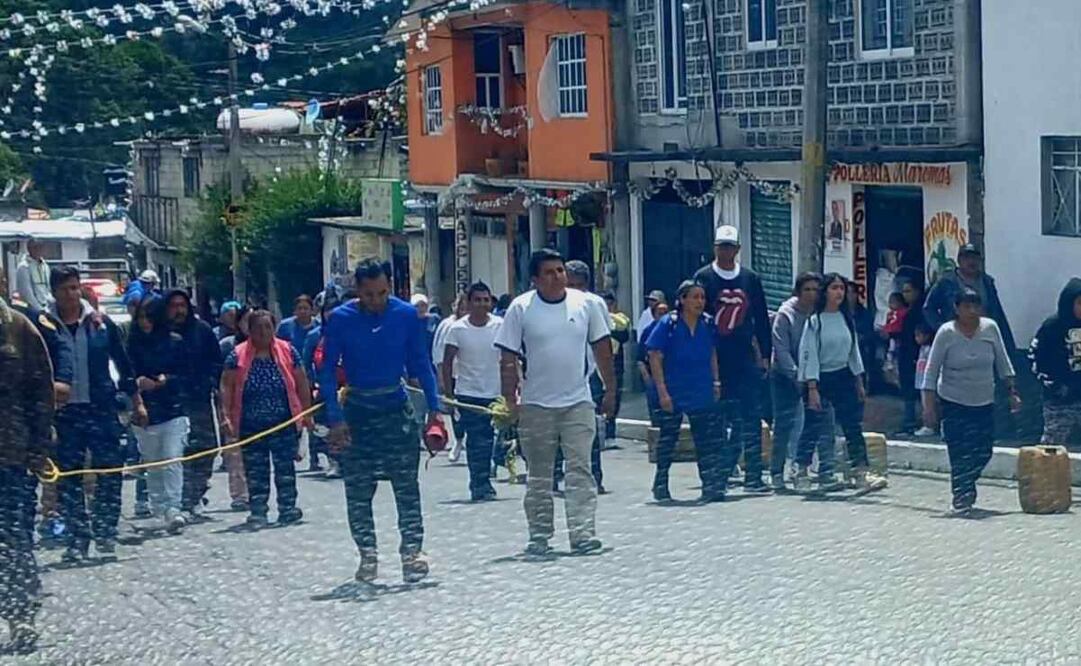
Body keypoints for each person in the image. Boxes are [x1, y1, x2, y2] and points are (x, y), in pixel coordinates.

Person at [321, 258, 442, 584]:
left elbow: (421, 362)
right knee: (359, 490)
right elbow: (328, 371)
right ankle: (368, 554)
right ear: (357, 291)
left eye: (382, 293)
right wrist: (334, 418)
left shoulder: (405, 316)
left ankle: (412, 553)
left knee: (406, 487)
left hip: (396, 411)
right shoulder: (341, 320)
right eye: (369, 294)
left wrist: (435, 408)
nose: (376, 300)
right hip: (358, 412)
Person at [495, 248, 616, 557]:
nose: (557, 277)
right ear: (535, 279)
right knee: (539, 474)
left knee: (580, 469)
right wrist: (510, 400)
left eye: (560, 271)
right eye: (548, 273)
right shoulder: (520, 309)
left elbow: (602, 347)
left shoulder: (586, 304)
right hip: (536, 406)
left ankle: (582, 533)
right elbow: (507, 358)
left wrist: (610, 389)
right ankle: (539, 534)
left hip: (578, 402)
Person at [48, 266, 141, 561]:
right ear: (54, 292)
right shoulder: (45, 326)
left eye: (75, 288)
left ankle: (105, 531)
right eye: (65, 289)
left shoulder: (100, 325)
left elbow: (124, 364)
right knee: (69, 477)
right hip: (65, 413)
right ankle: (77, 539)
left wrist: (137, 402)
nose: (71, 294)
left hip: (101, 407)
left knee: (110, 471)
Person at [923, 289, 1020, 515]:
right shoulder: (946, 333)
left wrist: (1012, 392)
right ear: (956, 309)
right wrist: (929, 406)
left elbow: (1003, 363)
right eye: (966, 306)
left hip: (983, 399)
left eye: (976, 306)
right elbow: (931, 370)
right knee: (959, 449)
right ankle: (962, 494)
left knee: (983, 450)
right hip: (953, 400)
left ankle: (967, 481)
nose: (972, 311)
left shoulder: (990, 329)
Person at [692, 224, 772, 493]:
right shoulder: (703, 277)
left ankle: (754, 477)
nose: (725, 251)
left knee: (750, 418)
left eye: (730, 246)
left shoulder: (750, 278)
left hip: (743, 357)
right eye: (720, 246)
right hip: (714, 359)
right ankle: (718, 474)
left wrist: (765, 354)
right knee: (717, 419)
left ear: (738, 249)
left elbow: (760, 318)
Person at [796, 273, 887, 493]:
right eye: (834, 288)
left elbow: (852, 350)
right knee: (813, 426)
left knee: (852, 426)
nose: (839, 293)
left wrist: (859, 380)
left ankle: (860, 472)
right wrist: (812, 388)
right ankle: (801, 472)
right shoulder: (815, 321)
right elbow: (810, 354)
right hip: (820, 378)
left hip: (843, 375)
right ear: (825, 292)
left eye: (842, 289)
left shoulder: (847, 318)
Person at [221, 310, 312, 529]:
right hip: (251, 423)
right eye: (258, 328)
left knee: (285, 468)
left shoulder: (288, 351)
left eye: (268, 327)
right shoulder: (237, 355)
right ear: (249, 330)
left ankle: (288, 507)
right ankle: (258, 510)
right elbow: (226, 385)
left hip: (283, 421)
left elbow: (301, 380)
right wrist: (225, 416)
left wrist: (306, 412)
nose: (263, 332)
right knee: (255, 469)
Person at [0, 291, 54, 653]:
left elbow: (41, 391)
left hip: (11, 457)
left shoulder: (18, 328)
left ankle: (20, 615)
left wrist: (39, 445)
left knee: (14, 540)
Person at [645, 280, 727, 502]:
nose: (700, 302)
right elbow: (655, 356)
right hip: (674, 388)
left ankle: (710, 485)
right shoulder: (668, 324)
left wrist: (716, 382)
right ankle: (661, 482)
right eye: (694, 297)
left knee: (705, 439)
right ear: (682, 299)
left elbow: (712, 353)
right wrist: (662, 391)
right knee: (668, 438)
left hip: (700, 387)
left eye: (702, 297)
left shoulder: (708, 324)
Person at [127, 295, 189, 534]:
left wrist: (166, 379)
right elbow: (125, 374)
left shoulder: (175, 341)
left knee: (172, 458)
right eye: (141, 317)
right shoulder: (132, 344)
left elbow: (185, 375)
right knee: (153, 463)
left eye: (150, 317)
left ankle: (174, 507)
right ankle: (160, 506)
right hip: (145, 412)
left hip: (173, 410)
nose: (145, 323)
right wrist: (137, 384)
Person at [165, 289, 223, 521]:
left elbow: (216, 361)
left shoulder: (202, 330)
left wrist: (212, 382)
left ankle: (194, 493)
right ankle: (179, 500)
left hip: (199, 400)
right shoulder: (161, 332)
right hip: (170, 402)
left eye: (182, 305)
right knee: (177, 452)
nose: (178, 310)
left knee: (207, 447)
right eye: (173, 306)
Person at [442, 282, 502, 501]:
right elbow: (447, 362)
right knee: (477, 440)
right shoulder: (457, 329)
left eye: (486, 300)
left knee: (490, 439)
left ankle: (483, 479)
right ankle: (480, 483)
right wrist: (449, 395)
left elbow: (509, 359)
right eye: (477, 300)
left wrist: (513, 388)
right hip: (468, 393)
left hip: (495, 393)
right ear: (468, 303)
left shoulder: (499, 325)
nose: (482, 304)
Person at [560, 259, 610, 492]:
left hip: (590, 375)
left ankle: (594, 476)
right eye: (569, 284)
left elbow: (603, 341)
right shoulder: (553, 301)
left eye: (578, 285)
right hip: (558, 375)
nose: (573, 290)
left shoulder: (594, 303)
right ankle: (556, 476)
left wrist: (609, 381)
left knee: (588, 428)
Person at [769, 272, 820, 490]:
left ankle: (802, 469)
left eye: (816, 290)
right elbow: (781, 350)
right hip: (783, 375)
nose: (811, 294)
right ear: (798, 291)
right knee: (784, 424)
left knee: (813, 423)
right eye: (807, 289)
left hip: (812, 376)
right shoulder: (786, 315)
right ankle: (776, 471)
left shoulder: (820, 314)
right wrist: (796, 374)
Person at [923, 244, 1016, 354]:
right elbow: (928, 308)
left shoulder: (987, 282)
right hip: (955, 341)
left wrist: (1008, 346)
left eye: (975, 258)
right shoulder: (946, 282)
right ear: (959, 260)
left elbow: (998, 313)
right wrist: (943, 328)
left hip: (984, 339)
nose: (971, 262)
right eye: (967, 258)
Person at [1029, 278, 1081, 447]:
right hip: (1059, 401)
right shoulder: (1052, 327)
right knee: (1052, 446)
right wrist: (1055, 386)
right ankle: (1045, 473)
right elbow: (1035, 358)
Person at [303, 291, 345, 478]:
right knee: (325, 425)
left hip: (350, 388)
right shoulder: (314, 336)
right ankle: (333, 460)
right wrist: (312, 386)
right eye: (328, 311)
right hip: (325, 389)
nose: (332, 314)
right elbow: (305, 365)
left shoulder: (350, 332)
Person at [433, 293, 468, 462]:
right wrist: (441, 376)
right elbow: (439, 353)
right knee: (455, 411)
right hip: (453, 375)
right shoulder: (448, 325)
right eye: (461, 307)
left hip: (472, 376)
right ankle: (458, 440)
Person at [601, 290, 630, 441]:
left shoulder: (619, 319)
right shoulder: (595, 319)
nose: (606, 306)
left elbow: (623, 334)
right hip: (598, 365)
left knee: (615, 397)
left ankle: (610, 432)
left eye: (609, 303)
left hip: (615, 365)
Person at [896, 281, 925, 434]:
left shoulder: (919, 312)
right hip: (906, 354)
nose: (905, 295)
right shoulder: (907, 311)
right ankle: (909, 420)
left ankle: (914, 420)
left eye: (908, 291)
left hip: (915, 354)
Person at [637, 302, 669, 425]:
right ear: (654, 315)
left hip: (670, 377)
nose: (663, 316)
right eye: (660, 314)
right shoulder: (648, 331)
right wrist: (646, 378)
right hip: (652, 378)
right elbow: (640, 357)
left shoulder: (674, 330)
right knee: (655, 411)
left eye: (665, 313)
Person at [912, 322, 936, 437]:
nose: (917, 338)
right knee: (924, 404)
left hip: (928, 381)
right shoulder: (922, 348)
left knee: (930, 405)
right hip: (921, 381)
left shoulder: (931, 349)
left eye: (919, 335)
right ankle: (927, 424)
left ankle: (930, 425)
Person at [15, 239, 52, 311]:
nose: (39, 249)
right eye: (35, 247)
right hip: (32, 309)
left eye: (41, 247)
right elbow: (27, 294)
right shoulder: (24, 267)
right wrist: (40, 310)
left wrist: (49, 307)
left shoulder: (45, 266)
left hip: (46, 307)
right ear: (29, 249)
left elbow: (49, 289)